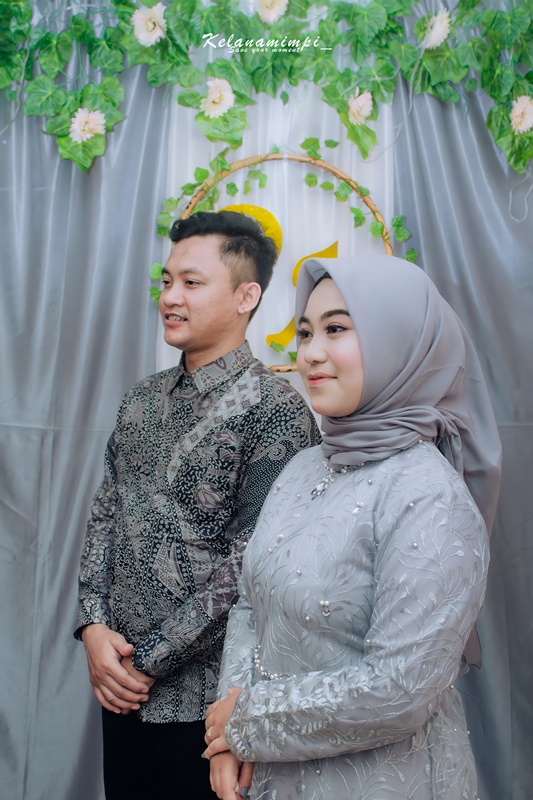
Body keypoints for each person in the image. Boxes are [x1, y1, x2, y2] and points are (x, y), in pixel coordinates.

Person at [203, 254, 502, 800]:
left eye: (336, 329)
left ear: (400, 342)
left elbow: (400, 689)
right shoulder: (302, 467)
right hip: (270, 775)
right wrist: (226, 736)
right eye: (305, 333)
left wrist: (246, 723)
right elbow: (249, 604)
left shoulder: (428, 496)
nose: (311, 353)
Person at [74, 210, 321, 799]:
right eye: (166, 281)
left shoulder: (278, 411)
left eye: (191, 282)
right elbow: (105, 515)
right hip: (119, 688)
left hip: (210, 707)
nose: (170, 297)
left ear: (245, 296)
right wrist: (93, 627)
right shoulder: (140, 400)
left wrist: (146, 662)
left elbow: (252, 564)